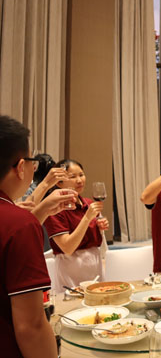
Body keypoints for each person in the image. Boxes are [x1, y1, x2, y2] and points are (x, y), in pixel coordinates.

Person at [0, 115, 75, 357]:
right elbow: (30, 326)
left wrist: (39, 213)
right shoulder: (19, 223)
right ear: (21, 166)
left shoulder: (18, 221)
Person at [43, 159, 109, 288]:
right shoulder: (55, 208)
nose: (79, 180)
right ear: (59, 183)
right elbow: (67, 248)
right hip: (70, 271)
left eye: (81, 175)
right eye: (72, 176)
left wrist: (100, 227)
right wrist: (87, 218)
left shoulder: (89, 204)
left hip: (95, 267)